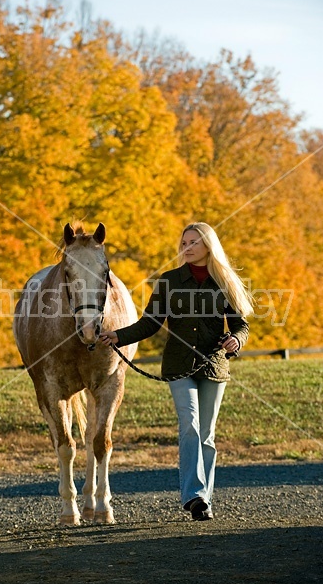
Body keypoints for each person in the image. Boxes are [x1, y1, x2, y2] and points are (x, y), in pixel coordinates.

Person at [100, 222, 253, 521]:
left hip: (215, 365)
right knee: (190, 425)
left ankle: (204, 499)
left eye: (194, 242)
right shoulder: (169, 281)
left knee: (207, 434)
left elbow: (240, 326)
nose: (187, 246)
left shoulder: (225, 281)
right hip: (178, 366)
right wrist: (118, 336)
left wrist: (236, 341)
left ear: (208, 246)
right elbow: (151, 323)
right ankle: (193, 496)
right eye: (184, 241)